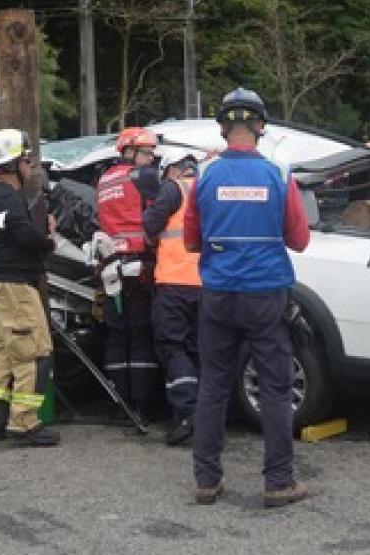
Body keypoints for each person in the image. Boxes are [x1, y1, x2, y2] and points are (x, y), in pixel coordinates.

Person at [184, 87, 310, 509]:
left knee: (213, 385)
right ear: (260, 127)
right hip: (266, 293)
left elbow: (190, 241)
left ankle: (206, 481)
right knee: (275, 388)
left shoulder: (203, 175)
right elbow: (300, 239)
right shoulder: (279, 174)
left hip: (219, 293)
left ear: (223, 128)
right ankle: (278, 482)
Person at [0, 128, 60, 446]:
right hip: (14, 286)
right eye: (27, 160)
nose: (30, 166)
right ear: (13, 164)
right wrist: (49, 240)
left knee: (1, 353)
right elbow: (25, 236)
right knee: (33, 352)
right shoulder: (9, 198)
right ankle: (24, 423)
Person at [96, 127, 162, 419]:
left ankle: (118, 404)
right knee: (141, 333)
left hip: (112, 266)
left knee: (116, 333)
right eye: (147, 153)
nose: (151, 159)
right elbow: (157, 214)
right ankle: (142, 405)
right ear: (130, 152)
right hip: (139, 265)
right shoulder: (143, 177)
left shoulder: (104, 180)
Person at [143, 148, 202, 446]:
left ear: (171, 169)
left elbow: (149, 224)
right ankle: (209, 416)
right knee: (199, 349)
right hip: (207, 284)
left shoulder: (173, 189)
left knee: (172, 347)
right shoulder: (209, 188)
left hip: (174, 283)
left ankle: (186, 414)